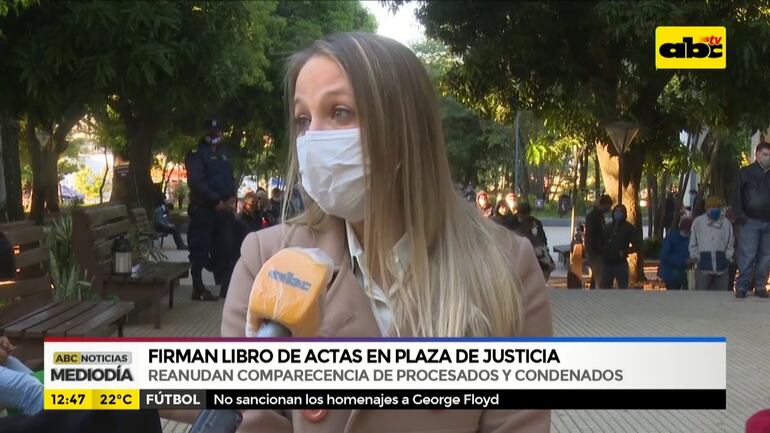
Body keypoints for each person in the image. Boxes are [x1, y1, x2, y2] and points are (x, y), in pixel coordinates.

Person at [201, 32, 551, 433]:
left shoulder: (505, 267)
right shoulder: (267, 259)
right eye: (303, 120)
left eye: (340, 113)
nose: (313, 138)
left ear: (404, 129)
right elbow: (249, 419)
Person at [185, 119, 237, 301]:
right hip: (204, 209)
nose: (216, 135)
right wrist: (215, 200)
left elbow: (230, 177)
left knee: (225, 249)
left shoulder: (224, 153)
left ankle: (226, 287)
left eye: (218, 131)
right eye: (212, 132)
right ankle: (198, 287)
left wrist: (232, 198)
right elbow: (196, 181)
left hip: (224, 211)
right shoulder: (196, 153)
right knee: (199, 249)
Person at [732, 141, 770, 298]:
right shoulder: (745, 172)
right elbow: (736, 195)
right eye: (765, 154)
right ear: (757, 155)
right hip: (750, 221)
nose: (768, 157)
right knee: (747, 255)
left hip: (768, 222)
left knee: (766, 256)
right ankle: (742, 286)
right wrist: (741, 216)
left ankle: (760, 287)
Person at [690, 197, 734, 291]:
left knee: (722, 296)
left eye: (718, 207)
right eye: (713, 207)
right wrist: (697, 257)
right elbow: (693, 242)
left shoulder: (726, 223)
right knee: (702, 296)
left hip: (722, 269)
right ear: (707, 208)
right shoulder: (698, 222)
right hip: (703, 269)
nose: (715, 209)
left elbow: (730, 243)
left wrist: (727, 257)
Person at [600, 204, 639, 289]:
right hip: (606, 263)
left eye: (620, 211)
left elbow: (637, 245)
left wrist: (624, 251)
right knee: (604, 288)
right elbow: (601, 242)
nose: (618, 213)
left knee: (623, 287)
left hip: (620, 263)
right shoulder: (608, 227)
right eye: (616, 211)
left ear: (624, 214)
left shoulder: (628, 228)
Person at [515, 202, 554, 280]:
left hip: (528, 260)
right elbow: (544, 240)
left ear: (518, 213)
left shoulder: (516, 224)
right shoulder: (536, 222)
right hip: (541, 262)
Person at [584, 194, 613, 288]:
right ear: (602, 205)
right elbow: (592, 235)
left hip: (596, 250)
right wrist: (598, 249)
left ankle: (594, 289)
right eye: (608, 206)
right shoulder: (593, 217)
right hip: (595, 251)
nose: (609, 209)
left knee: (597, 273)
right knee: (599, 275)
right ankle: (598, 292)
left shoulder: (598, 216)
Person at [659, 217, 692, 290]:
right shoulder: (671, 238)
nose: (687, 233)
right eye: (685, 231)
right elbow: (665, 256)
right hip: (671, 273)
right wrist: (684, 261)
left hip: (684, 272)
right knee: (673, 291)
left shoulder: (689, 238)